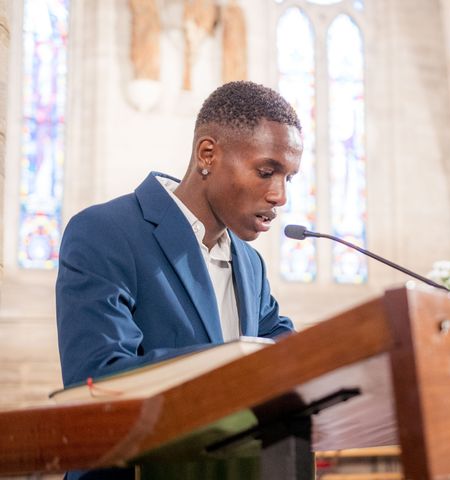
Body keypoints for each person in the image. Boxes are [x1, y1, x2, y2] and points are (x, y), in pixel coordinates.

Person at [55, 81, 303, 479]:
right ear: (208, 154)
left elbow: (280, 344)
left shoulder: (250, 264)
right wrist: (236, 363)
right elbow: (96, 378)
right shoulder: (105, 232)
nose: (279, 196)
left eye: (288, 177)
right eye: (266, 171)